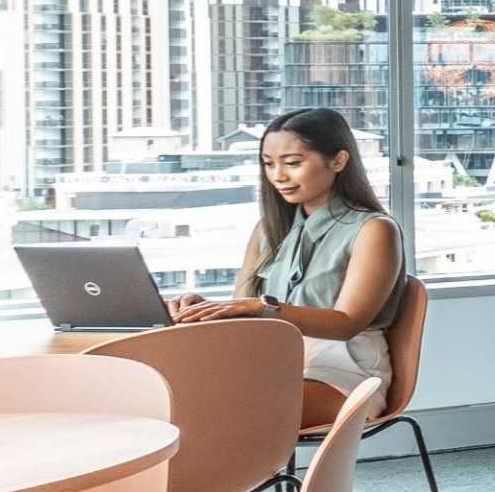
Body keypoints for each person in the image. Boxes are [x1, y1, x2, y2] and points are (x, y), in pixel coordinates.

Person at [170, 106, 404, 402]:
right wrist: (206, 310)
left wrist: (261, 308)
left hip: (342, 370)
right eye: (268, 164)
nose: (278, 176)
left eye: (292, 162)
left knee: (220, 409)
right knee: (175, 396)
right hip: (270, 363)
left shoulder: (374, 229)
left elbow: (347, 323)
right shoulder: (267, 230)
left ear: (338, 160)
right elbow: (243, 311)